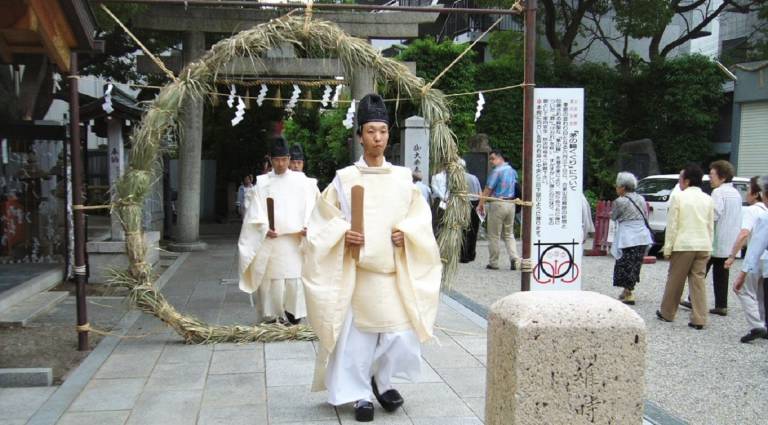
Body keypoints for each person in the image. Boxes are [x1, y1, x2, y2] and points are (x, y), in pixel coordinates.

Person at [302, 94, 441, 422]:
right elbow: (322, 219)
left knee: (398, 334)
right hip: (359, 270)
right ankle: (360, 393)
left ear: (388, 135)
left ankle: (382, 380)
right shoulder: (345, 178)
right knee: (358, 339)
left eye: (382, 131)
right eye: (370, 131)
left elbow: (419, 217)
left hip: (393, 270)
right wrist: (342, 233)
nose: (377, 137)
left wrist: (406, 232)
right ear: (360, 135)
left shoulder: (404, 178)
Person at [237, 136, 320, 325]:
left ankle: (294, 314)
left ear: (289, 159)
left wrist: (310, 225)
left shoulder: (303, 182)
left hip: (295, 242)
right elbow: (253, 213)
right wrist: (264, 228)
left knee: (293, 279)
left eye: (284, 159)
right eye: (276, 160)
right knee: (272, 280)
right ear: (271, 160)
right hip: (272, 241)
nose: (281, 164)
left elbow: (315, 205)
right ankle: (272, 316)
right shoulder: (262, 182)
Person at [657, 165, 714, 330]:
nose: (679, 182)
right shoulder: (708, 199)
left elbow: (672, 225)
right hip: (703, 244)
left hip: (684, 244)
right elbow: (710, 225)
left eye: (680, 179)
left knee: (675, 279)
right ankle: (700, 318)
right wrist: (710, 246)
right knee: (698, 282)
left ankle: (667, 312)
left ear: (687, 180)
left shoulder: (679, 198)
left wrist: (667, 248)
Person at [727, 176, 768, 343]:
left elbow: (747, 236)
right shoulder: (764, 212)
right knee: (761, 294)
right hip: (763, 261)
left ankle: (757, 324)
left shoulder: (754, 212)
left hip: (760, 259)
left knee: (743, 289)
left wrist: (732, 257)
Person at [705, 160, 742, 316]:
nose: (710, 177)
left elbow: (714, 213)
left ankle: (693, 299)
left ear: (722, 177)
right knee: (721, 273)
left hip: (717, 239)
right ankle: (721, 304)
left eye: (712, 174)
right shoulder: (736, 193)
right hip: (730, 239)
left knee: (701, 270)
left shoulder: (718, 192)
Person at [610, 172, 653, 305]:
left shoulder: (620, 201)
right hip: (642, 236)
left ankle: (629, 294)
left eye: (617, 186)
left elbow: (614, 217)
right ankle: (627, 290)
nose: (616, 188)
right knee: (634, 265)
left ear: (623, 187)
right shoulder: (640, 198)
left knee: (625, 264)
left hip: (628, 237)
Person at [477, 149, 521, 270]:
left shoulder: (496, 171)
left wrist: (481, 203)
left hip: (498, 203)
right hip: (511, 203)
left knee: (494, 235)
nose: (491, 161)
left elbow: (488, 189)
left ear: (500, 158)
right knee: (509, 234)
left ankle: (494, 262)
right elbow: (517, 186)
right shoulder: (512, 171)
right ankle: (515, 259)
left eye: (493, 158)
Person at [460, 159, 482, 263]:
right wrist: (481, 206)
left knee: (463, 230)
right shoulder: (474, 177)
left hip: (463, 204)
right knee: (473, 230)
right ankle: (471, 254)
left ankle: (463, 255)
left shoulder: (457, 178)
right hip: (475, 203)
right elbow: (480, 192)